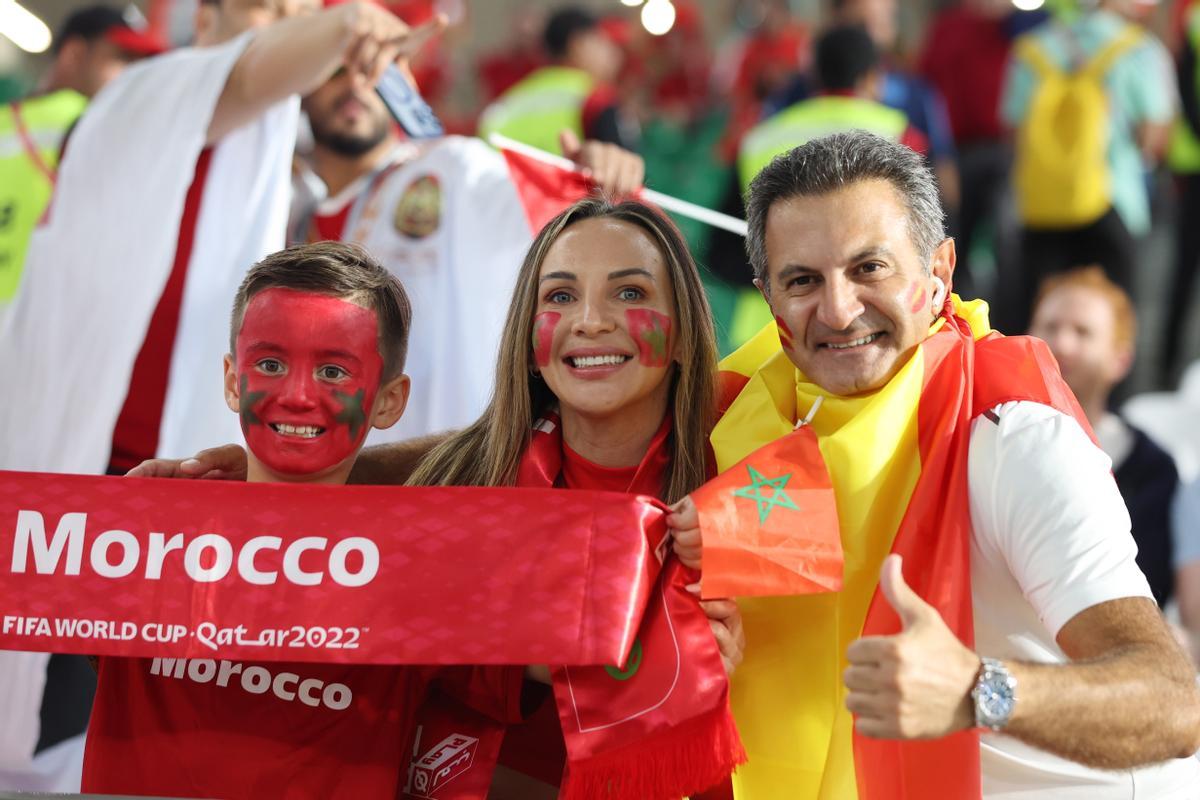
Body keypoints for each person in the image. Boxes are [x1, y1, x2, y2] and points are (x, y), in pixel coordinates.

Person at [671, 131, 1200, 798]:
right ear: (769, 298)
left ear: (939, 274)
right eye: (803, 280)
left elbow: (1173, 703)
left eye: (870, 268)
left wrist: (978, 690)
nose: (837, 310)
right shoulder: (742, 425)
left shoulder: (1013, 437)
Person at [83, 241, 526, 799]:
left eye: (334, 371)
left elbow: (567, 672)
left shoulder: (423, 566)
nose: (296, 395)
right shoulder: (142, 532)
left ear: (390, 401)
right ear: (231, 379)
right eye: (269, 364)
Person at [0, 0, 445, 479]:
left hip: (186, 476)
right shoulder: (148, 89)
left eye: (301, 13)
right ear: (204, 20)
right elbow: (248, 72)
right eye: (265, 10)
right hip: (80, 468)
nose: (291, 29)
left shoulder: (281, 160)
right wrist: (346, 24)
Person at [290, 65, 644, 441]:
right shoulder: (287, 206)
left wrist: (595, 180)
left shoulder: (454, 168)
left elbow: (573, 221)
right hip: (330, 468)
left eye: (374, 69)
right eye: (334, 72)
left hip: (447, 470)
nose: (357, 84)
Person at [727, 24, 927, 352]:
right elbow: (925, 236)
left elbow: (727, 245)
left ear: (813, 76)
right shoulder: (901, 134)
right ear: (873, 77)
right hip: (866, 331)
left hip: (766, 331)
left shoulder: (759, 138)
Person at [1001, 0, 1175, 329]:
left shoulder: (1031, 48)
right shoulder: (1135, 47)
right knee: (1113, 322)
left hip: (1043, 204)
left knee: (1041, 318)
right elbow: (1153, 135)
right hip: (1114, 200)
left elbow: (1013, 129)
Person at [1030, 266, 1179, 608]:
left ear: (1120, 360)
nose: (1061, 343)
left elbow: (1147, 588)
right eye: (1050, 326)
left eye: (1083, 332)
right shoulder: (981, 435)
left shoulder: (1152, 469)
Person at [0, 4, 163, 314]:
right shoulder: (100, 125)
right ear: (74, 53)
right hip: (45, 327)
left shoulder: (7, 120)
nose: (134, 78)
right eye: (122, 59)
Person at [478, 6, 633, 155]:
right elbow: (622, 169)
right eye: (602, 43)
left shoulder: (515, 97)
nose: (614, 54)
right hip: (557, 182)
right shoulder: (594, 97)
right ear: (578, 45)